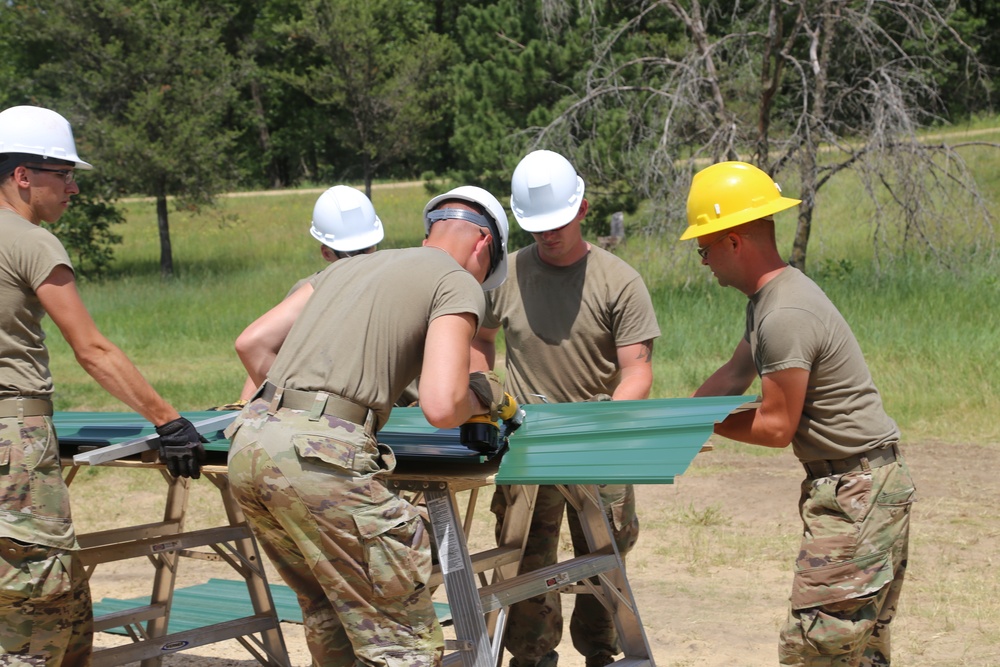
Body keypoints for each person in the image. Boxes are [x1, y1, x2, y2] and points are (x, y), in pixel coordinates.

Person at [226, 185, 515, 667]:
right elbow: (442, 406)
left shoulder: (345, 267)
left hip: (251, 445)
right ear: (483, 243)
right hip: (320, 464)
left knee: (331, 613)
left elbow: (252, 344)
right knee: (404, 645)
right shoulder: (456, 279)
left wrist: (306, 410)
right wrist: (487, 394)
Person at [683, 161, 915, 666]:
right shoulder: (769, 298)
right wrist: (678, 415)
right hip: (859, 485)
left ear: (734, 240)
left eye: (704, 248)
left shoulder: (785, 313)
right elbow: (733, 375)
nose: (703, 261)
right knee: (854, 650)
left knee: (818, 650)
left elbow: (774, 426)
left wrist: (701, 423)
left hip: (856, 492)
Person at [0, 105, 206, 666]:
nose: (72, 187)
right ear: (23, 176)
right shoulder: (31, 241)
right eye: (62, 173)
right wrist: (168, 419)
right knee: (37, 603)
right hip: (12, 441)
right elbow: (91, 349)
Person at [472, 150, 660, 667]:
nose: (549, 235)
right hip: (525, 443)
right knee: (527, 560)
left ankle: (602, 652)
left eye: (557, 223)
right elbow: (480, 341)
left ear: (582, 210)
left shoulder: (618, 281)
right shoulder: (505, 275)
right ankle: (530, 656)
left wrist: (604, 427)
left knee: (604, 559)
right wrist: (485, 392)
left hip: (598, 441)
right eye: (538, 227)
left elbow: (636, 371)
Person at [226, 185, 389, 407]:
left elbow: (259, 346)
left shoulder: (306, 291)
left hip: (329, 414)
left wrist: (260, 404)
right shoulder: (402, 281)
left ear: (326, 252)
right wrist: (245, 402)